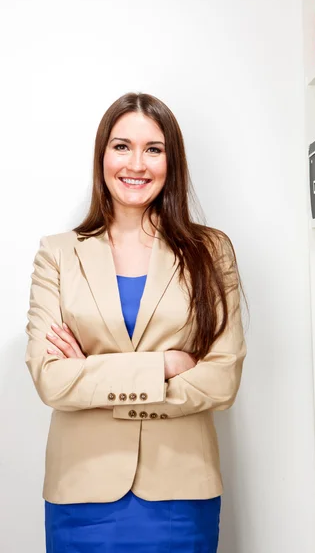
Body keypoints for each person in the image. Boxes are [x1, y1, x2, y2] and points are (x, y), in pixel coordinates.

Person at [25, 92, 247, 553]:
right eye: (122, 146)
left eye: (154, 149)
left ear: (172, 161)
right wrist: (164, 365)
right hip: (81, 492)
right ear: (102, 155)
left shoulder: (211, 251)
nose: (136, 164)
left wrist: (91, 376)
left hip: (180, 492)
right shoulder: (58, 253)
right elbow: (51, 380)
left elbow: (222, 380)